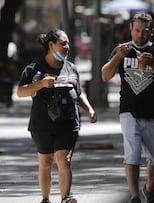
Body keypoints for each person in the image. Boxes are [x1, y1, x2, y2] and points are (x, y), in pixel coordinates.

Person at [101, 12, 154, 203]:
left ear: (151, 31)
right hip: (129, 111)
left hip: (152, 113)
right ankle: (134, 196)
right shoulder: (122, 50)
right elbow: (105, 75)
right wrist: (117, 57)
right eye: (136, 30)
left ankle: (149, 188)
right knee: (132, 154)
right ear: (131, 30)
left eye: (144, 31)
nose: (140, 34)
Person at [16, 29, 97, 203]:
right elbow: (21, 92)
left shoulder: (71, 68)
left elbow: (78, 92)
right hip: (42, 122)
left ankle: (66, 198)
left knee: (64, 159)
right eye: (63, 44)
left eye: (68, 43)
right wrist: (40, 84)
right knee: (46, 162)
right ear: (51, 45)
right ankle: (45, 199)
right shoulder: (34, 68)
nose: (67, 47)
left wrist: (89, 109)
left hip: (68, 122)